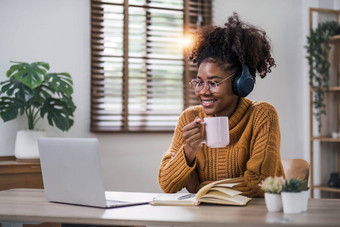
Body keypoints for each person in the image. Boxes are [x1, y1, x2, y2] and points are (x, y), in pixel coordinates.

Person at [158, 12, 284, 198]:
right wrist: (188, 152)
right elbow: (167, 185)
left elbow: (258, 182)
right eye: (199, 82)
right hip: (205, 218)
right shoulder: (190, 118)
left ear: (240, 83)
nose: (203, 91)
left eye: (214, 83)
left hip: (253, 218)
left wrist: (202, 188)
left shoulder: (261, 115)